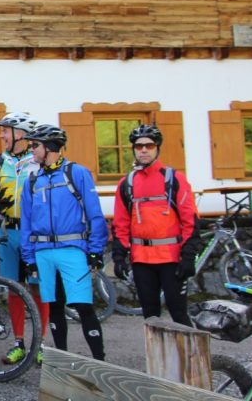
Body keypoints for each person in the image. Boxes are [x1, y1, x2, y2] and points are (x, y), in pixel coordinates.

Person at [20, 124, 108, 361]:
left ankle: (100, 361)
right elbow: (26, 222)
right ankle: (60, 362)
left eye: (35, 146)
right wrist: (28, 258)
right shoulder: (31, 180)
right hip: (43, 252)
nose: (32, 151)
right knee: (55, 307)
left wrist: (95, 250)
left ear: (50, 148)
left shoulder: (76, 173)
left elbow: (95, 213)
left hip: (73, 249)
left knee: (83, 306)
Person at [111, 124, 198, 325]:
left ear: (157, 148)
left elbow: (190, 220)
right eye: (139, 146)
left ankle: (189, 357)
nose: (143, 150)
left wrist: (188, 256)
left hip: (171, 258)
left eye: (149, 146)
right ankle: (158, 358)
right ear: (133, 148)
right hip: (142, 259)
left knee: (179, 314)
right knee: (150, 316)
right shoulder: (127, 183)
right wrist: (119, 257)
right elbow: (121, 223)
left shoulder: (174, 178)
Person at [0, 112, 50, 365]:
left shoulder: (38, 161)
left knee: (37, 287)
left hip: (34, 234)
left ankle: (41, 344)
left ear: (20, 134)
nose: (1, 135)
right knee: (14, 288)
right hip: (8, 232)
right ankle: (19, 343)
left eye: (5, 131)